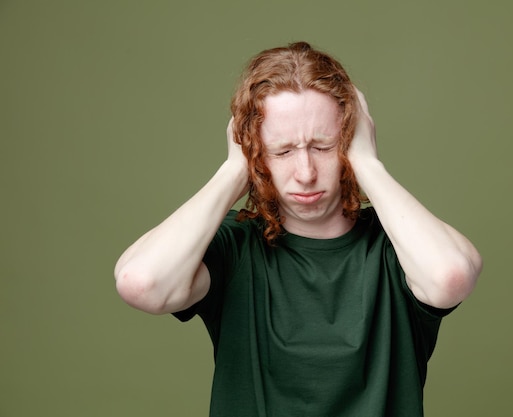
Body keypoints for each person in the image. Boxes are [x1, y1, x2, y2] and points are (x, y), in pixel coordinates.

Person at [114, 41, 482, 417]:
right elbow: (141, 283)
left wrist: (369, 166)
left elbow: (450, 277)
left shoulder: (398, 247)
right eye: (283, 150)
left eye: (324, 146)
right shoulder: (235, 244)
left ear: (351, 141)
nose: (305, 174)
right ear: (254, 152)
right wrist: (232, 171)